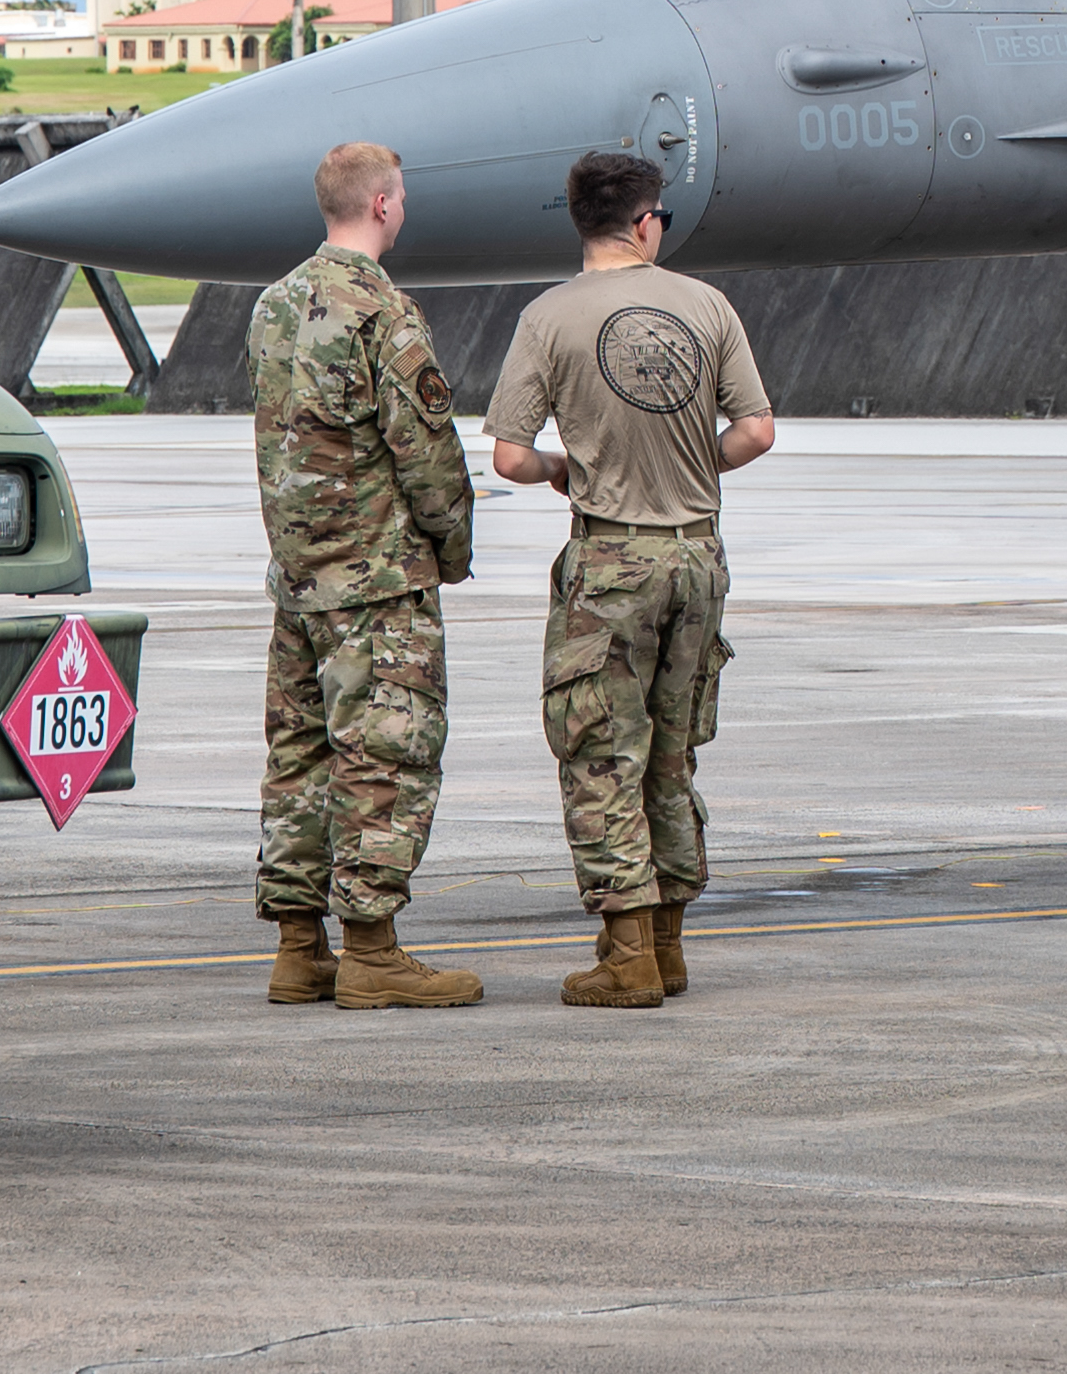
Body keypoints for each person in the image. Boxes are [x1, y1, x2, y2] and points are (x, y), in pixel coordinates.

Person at [483, 147, 779, 1009]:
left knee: (599, 754)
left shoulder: (549, 317)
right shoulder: (706, 304)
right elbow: (756, 431)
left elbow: (507, 456)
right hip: (696, 554)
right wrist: (695, 470)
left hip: (610, 560)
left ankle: (626, 952)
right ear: (647, 223)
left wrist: (563, 470)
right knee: (671, 753)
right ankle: (671, 944)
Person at [250, 137, 486, 1007]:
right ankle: (373, 951)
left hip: (298, 580)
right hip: (376, 581)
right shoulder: (382, 313)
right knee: (385, 755)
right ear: (384, 205)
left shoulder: (274, 303)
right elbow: (424, 449)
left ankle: (296, 946)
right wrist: (451, 546)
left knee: (299, 754)